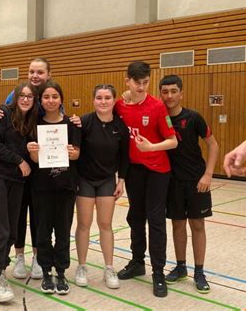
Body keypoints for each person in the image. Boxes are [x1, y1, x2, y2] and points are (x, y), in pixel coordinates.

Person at [114, 61, 177, 298]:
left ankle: (158, 272)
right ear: (127, 80)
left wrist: (152, 147)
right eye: (137, 82)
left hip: (158, 170)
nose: (141, 87)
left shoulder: (158, 107)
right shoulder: (120, 105)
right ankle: (137, 261)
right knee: (135, 216)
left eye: (145, 82)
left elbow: (173, 141)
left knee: (156, 220)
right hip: (134, 171)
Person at [0, 57, 52, 280]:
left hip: (39, 167)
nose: (35, 76)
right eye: (31, 71)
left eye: (40, 72)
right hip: (13, 169)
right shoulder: (13, 99)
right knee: (15, 215)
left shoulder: (52, 97)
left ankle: (37, 257)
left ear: (48, 75)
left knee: (37, 213)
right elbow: (3, 118)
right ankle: (18, 257)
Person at [158, 75, 219, 294]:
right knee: (177, 225)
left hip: (196, 181)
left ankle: (199, 271)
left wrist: (208, 175)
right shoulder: (159, 118)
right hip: (172, 182)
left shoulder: (194, 117)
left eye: (174, 91)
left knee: (198, 225)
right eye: (165, 92)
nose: (169, 96)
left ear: (181, 93)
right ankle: (181, 266)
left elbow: (213, 145)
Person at [0, 82, 39, 302]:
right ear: (15, 98)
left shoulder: (30, 121)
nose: (25, 99)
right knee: (0, 231)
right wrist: (19, 161)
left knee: (13, 232)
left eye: (30, 96)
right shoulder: (2, 113)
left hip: (17, 181)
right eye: (22, 96)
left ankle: (0, 271)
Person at [27, 81, 81, 295]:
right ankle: (46, 272)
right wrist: (33, 150)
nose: (50, 100)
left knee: (62, 231)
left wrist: (72, 153)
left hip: (65, 187)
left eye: (54, 96)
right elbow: (33, 158)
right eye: (46, 97)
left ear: (61, 100)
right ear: (41, 101)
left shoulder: (72, 124)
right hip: (41, 187)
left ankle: (61, 272)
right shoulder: (34, 125)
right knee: (42, 231)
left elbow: (77, 153)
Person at [74, 84, 129, 289]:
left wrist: (121, 180)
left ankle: (109, 267)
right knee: (84, 224)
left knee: (105, 224)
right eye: (99, 98)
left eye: (107, 98)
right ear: (93, 100)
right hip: (85, 180)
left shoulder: (120, 126)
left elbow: (125, 156)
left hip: (107, 180)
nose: (103, 101)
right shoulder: (84, 122)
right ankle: (81, 266)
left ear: (114, 100)